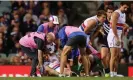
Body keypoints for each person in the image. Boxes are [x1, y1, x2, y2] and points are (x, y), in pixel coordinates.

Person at [107, 2, 129, 77]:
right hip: (113, 35)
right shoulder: (116, 13)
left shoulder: (124, 14)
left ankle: (115, 73)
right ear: (121, 5)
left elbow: (122, 27)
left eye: (127, 8)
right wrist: (116, 37)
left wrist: (121, 38)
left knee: (117, 56)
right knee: (113, 55)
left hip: (118, 36)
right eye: (124, 7)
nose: (125, 9)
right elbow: (113, 26)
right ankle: (111, 73)